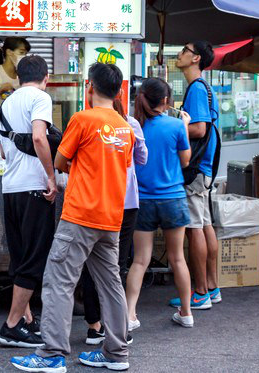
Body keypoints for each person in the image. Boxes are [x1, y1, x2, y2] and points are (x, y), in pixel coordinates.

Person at [10, 63, 134, 373]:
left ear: (90, 88)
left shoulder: (83, 119)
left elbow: (61, 160)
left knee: (58, 282)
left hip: (80, 214)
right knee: (111, 285)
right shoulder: (124, 126)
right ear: (119, 91)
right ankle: (116, 353)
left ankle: (51, 354)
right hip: (111, 218)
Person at [0, 55, 57, 348]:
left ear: (18, 77)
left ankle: (25, 322)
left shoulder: (7, 103)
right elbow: (39, 138)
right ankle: (10, 325)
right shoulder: (40, 98)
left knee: (21, 259)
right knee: (34, 260)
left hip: (10, 188)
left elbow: (4, 153)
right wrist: (50, 175)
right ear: (46, 76)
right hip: (35, 187)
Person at [125, 78, 194, 330]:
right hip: (173, 198)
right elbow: (185, 161)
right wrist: (185, 126)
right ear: (166, 101)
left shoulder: (134, 125)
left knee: (140, 260)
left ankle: (130, 314)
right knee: (177, 259)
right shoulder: (176, 125)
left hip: (142, 200)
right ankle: (186, 313)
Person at [80, 97, 147, 345]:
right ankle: (115, 328)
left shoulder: (87, 122)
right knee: (115, 265)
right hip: (125, 200)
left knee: (91, 262)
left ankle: (94, 326)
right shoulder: (130, 124)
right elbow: (141, 158)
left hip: (95, 199)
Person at [174, 41, 221, 310]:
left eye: (184, 50)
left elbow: (199, 129)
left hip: (195, 168)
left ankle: (200, 292)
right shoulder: (204, 88)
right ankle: (212, 288)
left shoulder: (196, 89)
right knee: (204, 225)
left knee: (195, 229)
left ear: (196, 58)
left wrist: (174, 126)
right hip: (204, 168)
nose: (179, 54)